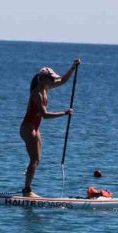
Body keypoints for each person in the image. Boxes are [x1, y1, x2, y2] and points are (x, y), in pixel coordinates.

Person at [20, 59, 80, 197]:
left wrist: (73, 68)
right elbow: (45, 115)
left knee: (37, 160)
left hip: (35, 128)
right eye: (51, 78)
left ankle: (27, 187)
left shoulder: (46, 88)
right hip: (28, 128)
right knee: (34, 160)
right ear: (42, 78)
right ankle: (27, 191)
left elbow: (63, 81)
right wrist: (64, 113)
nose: (53, 80)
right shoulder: (37, 94)